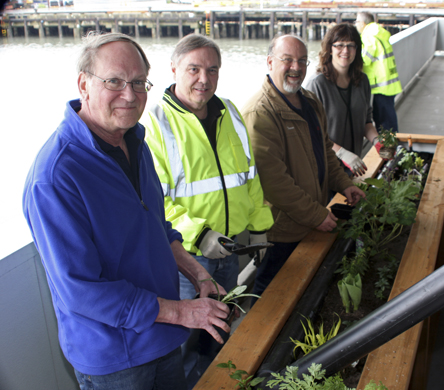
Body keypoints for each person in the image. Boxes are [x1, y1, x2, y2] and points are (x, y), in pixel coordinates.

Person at [22, 32, 231, 390]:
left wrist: (198, 275)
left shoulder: (135, 141)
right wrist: (181, 311)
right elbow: (81, 289)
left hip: (164, 334)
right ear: (83, 84)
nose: (130, 95)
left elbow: (158, 229)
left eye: (138, 82)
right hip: (115, 359)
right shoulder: (56, 176)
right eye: (114, 81)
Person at [142, 33, 274, 386]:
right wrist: (199, 234)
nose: (205, 78)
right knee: (186, 343)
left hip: (230, 248)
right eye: (194, 69)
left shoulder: (229, 111)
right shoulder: (155, 123)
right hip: (187, 260)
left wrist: (259, 227)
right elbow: (155, 202)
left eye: (212, 70)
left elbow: (250, 175)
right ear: (173, 69)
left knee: (221, 329)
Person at [241, 34, 366, 301]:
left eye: (302, 61)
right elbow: (275, 184)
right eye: (287, 60)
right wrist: (316, 215)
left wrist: (344, 184)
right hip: (281, 229)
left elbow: (325, 151)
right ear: (270, 62)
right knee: (269, 294)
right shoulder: (259, 113)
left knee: (301, 292)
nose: (296, 68)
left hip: (311, 218)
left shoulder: (310, 102)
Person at [306, 23, 383, 178]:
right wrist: (341, 153)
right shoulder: (317, 84)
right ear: (330, 49)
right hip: (325, 169)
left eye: (351, 45)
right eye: (339, 45)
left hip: (353, 166)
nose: (345, 51)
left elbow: (366, 121)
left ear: (357, 49)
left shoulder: (362, 81)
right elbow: (311, 133)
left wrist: (377, 141)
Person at [355, 11, 403, 134]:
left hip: (382, 86)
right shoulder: (378, 33)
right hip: (388, 84)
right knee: (389, 119)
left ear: (363, 23)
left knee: (384, 122)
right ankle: (393, 146)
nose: (356, 25)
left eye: (357, 22)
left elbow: (364, 60)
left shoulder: (369, 36)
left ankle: (391, 149)